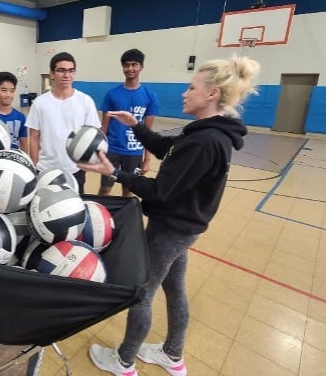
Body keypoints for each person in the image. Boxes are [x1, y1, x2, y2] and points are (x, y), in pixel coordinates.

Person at [80, 57, 259, 376]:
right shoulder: (204, 132)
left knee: (141, 293)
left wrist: (115, 173)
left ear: (211, 94)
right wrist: (134, 125)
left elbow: (161, 190)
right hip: (182, 227)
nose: (185, 93)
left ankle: (124, 361)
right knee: (174, 288)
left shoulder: (207, 141)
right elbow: (166, 148)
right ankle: (172, 354)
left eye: (192, 87)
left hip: (171, 231)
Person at [26, 51, 100, 193]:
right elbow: (34, 136)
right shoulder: (40, 103)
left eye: (71, 71)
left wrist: (87, 162)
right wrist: (35, 164)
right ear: (52, 74)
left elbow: (93, 135)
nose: (67, 75)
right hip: (45, 169)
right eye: (61, 70)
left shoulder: (85, 101)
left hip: (74, 170)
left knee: (75, 211)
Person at [99, 49, 159, 197]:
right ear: (123, 67)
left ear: (141, 67)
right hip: (112, 150)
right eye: (127, 65)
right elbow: (104, 128)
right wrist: (98, 152)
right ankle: (99, 217)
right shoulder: (112, 94)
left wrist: (147, 160)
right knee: (105, 189)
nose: (130, 69)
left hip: (134, 153)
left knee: (128, 191)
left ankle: (124, 219)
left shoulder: (150, 96)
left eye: (134, 65)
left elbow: (148, 132)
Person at [0, 71, 28, 152]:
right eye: (4, 90)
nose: (8, 95)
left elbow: (24, 145)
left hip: (14, 162)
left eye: (12, 91)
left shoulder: (20, 117)